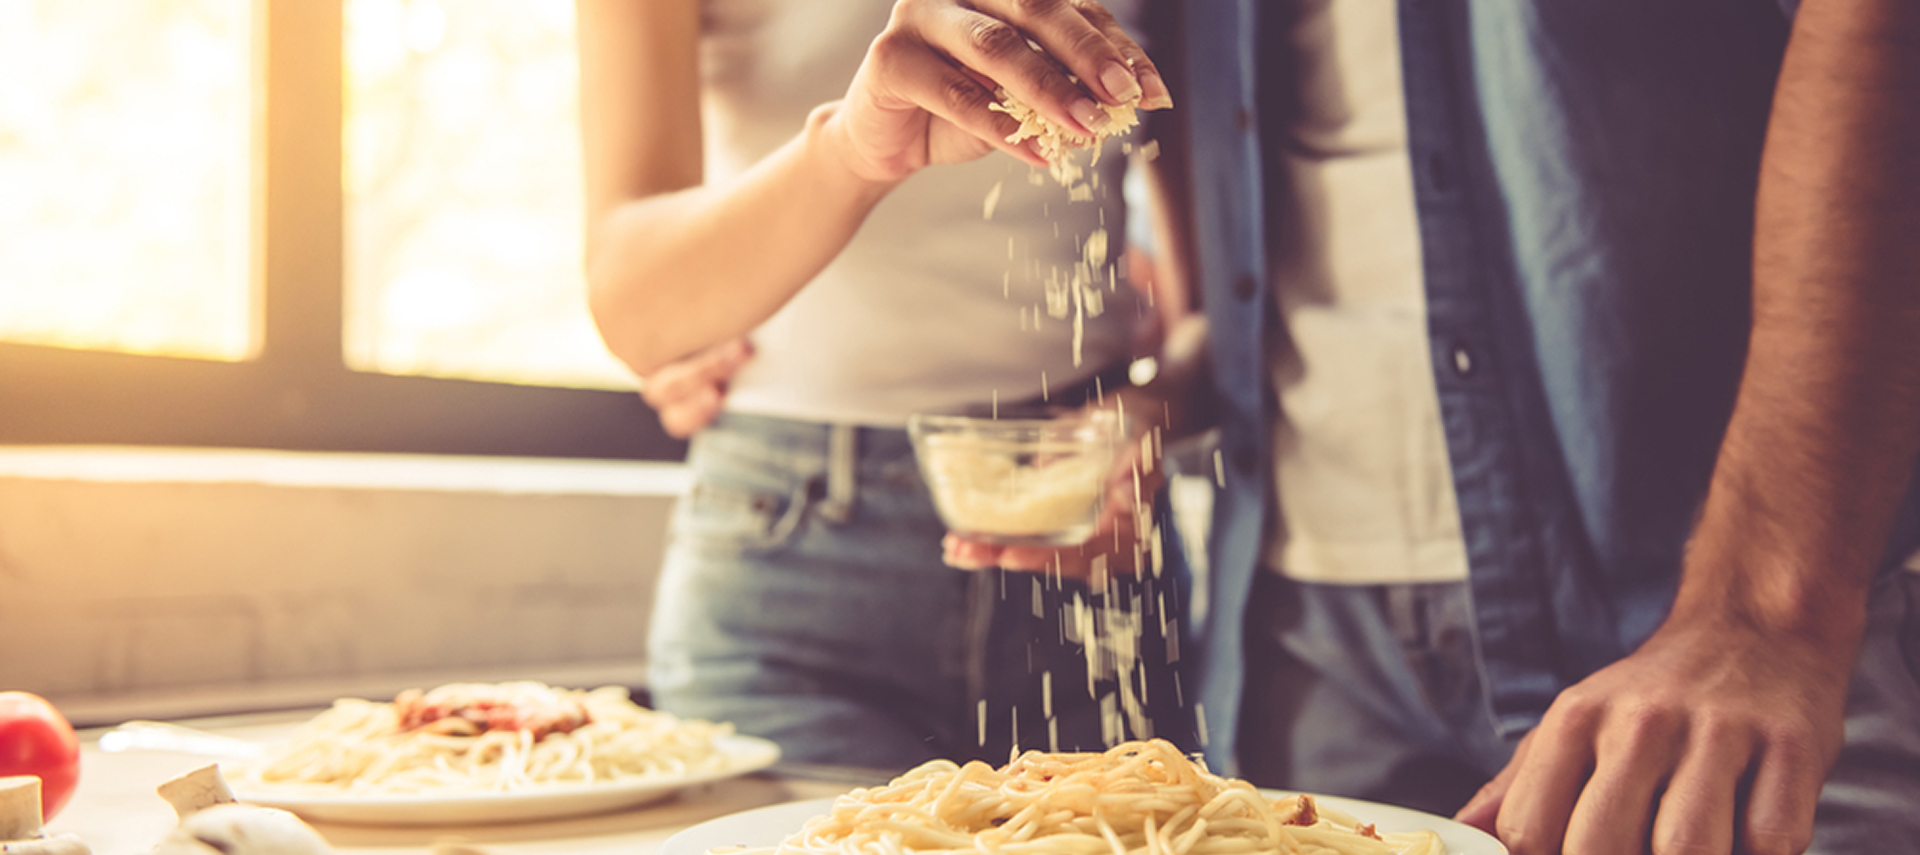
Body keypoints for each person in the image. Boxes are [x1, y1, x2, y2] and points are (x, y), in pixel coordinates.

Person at [865, 0, 1920, 853]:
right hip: (1304, 637)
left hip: (1701, 620)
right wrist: (1155, 404)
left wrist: (1770, 601)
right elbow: (1273, 265)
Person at [575, 0, 1191, 770]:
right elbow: (633, 307)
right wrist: (851, 150)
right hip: (791, 563)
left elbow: (1218, 308)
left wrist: (1148, 407)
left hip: (1088, 556)